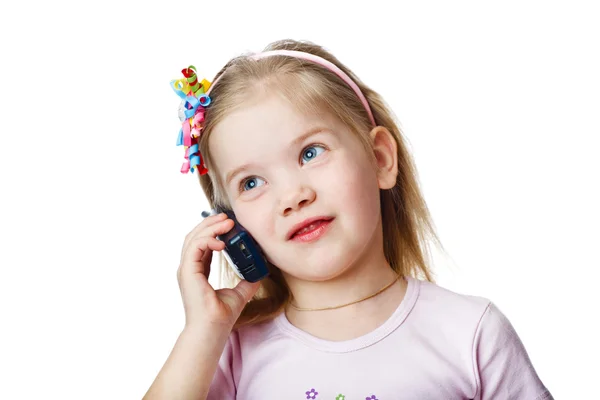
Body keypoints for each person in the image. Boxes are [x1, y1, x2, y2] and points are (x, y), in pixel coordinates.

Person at [143, 39, 553, 400]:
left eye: (310, 153)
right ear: (229, 224)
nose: (293, 197)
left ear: (379, 159)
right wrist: (203, 331)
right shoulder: (224, 351)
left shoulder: (471, 334)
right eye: (251, 182)